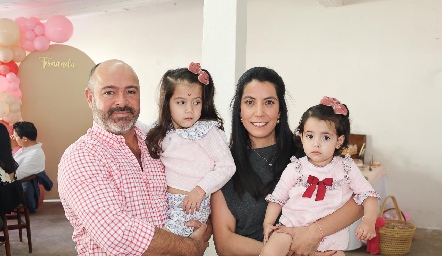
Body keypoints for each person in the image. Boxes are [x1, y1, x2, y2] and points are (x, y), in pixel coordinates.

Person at [58, 59, 210, 255]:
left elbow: (200, 176)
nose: (122, 101)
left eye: (130, 91)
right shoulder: (81, 157)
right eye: (109, 92)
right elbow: (116, 234)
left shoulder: (160, 141)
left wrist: (206, 226)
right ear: (90, 97)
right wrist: (189, 247)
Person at [211, 67, 364, 256]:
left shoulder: (308, 153)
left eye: (269, 102)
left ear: (280, 110)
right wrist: (286, 251)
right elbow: (224, 243)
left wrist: (315, 232)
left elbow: (360, 201)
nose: (259, 112)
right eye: (250, 102)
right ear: (239, 110)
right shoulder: (224, 164)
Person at [261, 96, 380, 256]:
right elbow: (277, 199)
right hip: (290, 229)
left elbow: (369, 195)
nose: (316, 143)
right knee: (271, 250)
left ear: (339, 141)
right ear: (302, 137)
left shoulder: (345, 167)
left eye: (325, 137)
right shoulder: (295, 167)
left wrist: (369, 221)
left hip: (330, 239)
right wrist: (268, 223)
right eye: (310, 136)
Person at [145, 62, 235, 237]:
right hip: (165, 202)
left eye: (196, 102)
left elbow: (227, 166)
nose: (189, 110)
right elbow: (139, 129)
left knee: (163, 243)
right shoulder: (164, 130)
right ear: (167, 103)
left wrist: (201, 189)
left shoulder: (206, 131)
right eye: (181, 102)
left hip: (191, 203)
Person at [11, 121, 52, 212]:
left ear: (25, 138)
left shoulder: (35, 155)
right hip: (12, 184)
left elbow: (17, 175)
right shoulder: (25, 149)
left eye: (15, 136)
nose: (13, 138)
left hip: (17, 189)